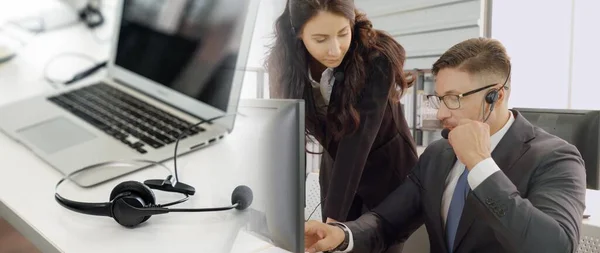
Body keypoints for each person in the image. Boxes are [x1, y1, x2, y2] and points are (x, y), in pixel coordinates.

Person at [303, 37, 587, 253]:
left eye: (453, 98)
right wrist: (342, 235)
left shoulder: (556, 158)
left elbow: (556, 245)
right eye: (439, 98)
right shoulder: (439, 154)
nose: (440, 114)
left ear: (495, 97)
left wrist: (481, 165)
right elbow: (386, 220)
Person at [265, 1, 418, 251]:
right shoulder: (285, 65)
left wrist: (333, 223)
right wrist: (285, 216)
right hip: (337, 171)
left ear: (352, 24)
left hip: (388, 174)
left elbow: (356, 142)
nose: (335, 49)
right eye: (320, 38)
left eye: (343, 34)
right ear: (299, 32)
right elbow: (286, 137)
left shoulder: (376, 59)